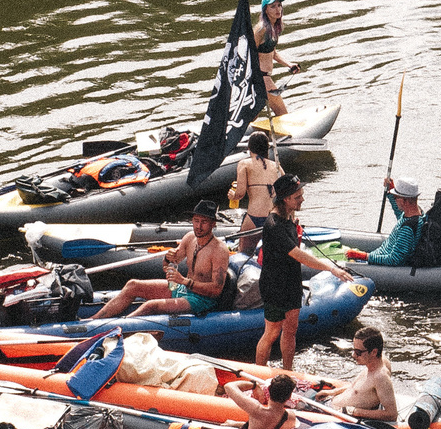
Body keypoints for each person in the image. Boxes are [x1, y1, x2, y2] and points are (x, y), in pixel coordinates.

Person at [254, 174, 354, 371]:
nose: (302, 199)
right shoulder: (274, 226)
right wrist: (331, 268)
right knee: (272, 332)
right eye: (297, 197)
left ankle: (288, 372)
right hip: (274, 285)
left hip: (292, 282)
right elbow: (299, 255)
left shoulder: (288, 217)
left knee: (291, 330)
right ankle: (257, 373)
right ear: (285, 199)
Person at [93, 200, 235, 323]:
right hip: (183, 288)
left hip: (202, 300)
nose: (198, 226)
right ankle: (93, 321)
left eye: (204, 222)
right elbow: (167, 267)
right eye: (196, 221)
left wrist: (185, 281)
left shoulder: (219, 250)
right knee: (133, 285)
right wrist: (168, 259)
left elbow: (216, 290)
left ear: (213, 224)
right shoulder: (189, 238)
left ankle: (115, 329)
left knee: (150, 306)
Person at [222, 371, 301, 429]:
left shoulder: (257, 411)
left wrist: (254, 385)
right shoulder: (291, 418)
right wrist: (236, 424)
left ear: (268, 390)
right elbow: (266, 428)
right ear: (289, 397)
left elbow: (229, 386)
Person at [322, 326, 400, 423]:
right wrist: (333, 392)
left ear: (374, 352)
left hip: (337, 414)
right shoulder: (379, 362)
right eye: (354, 350)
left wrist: (355, 412)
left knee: (299, 405)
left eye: (358, 352)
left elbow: (392, 414)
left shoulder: (380, 377)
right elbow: (356, 388)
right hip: (330, 403)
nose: (353, 355)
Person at [227, 128, 284, 252]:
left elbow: (240, 193)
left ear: (249, 148)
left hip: (255, 216)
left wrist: (232, 195)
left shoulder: (244, 164)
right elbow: (287, 191)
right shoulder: (277, 166)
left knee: (244, 253)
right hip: (275, 217)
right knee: (274, 252)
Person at [349, 178, 426, 267]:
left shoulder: (407, 230)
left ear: (404, 200)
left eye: (396, 197)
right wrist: (390, 190)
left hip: (381, 264)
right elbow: (399, 212)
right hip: (378, 255)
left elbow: (394, 260)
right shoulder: (417, 212)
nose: (395, 199)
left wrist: (364, 256)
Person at [253, 0, 294, 113]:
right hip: (261, 78)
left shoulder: (276, 27)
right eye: (273, 6)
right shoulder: (261, 29)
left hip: (264, 78)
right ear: (265, 10)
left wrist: (289, 64)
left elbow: (273, 53)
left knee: (252, 115)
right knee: (282, 114)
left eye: (279, 5)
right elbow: (249, 54)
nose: (278, 9)